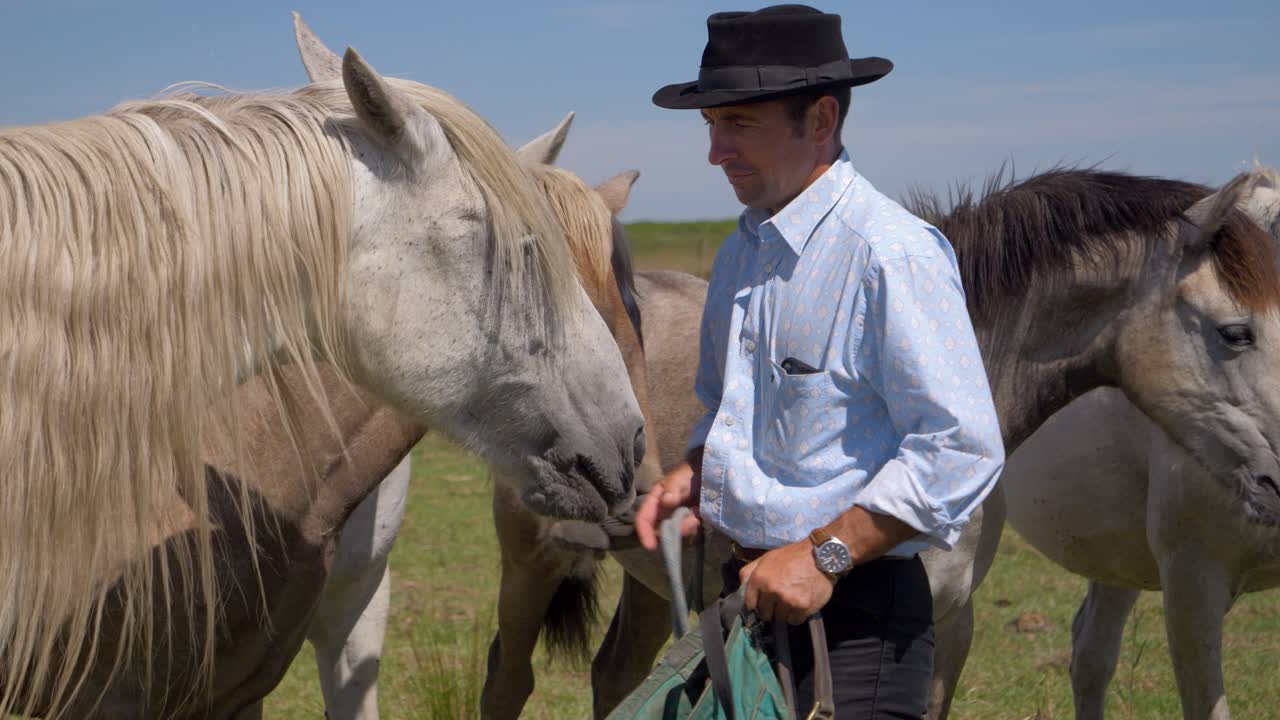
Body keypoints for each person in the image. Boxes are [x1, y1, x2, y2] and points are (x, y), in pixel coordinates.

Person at [633, 5, 1005, 717]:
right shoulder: (741, 253)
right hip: (752, 601)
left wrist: (822, 555)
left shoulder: (888, 254)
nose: (715, 151)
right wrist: (697, 470)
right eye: (711, 125)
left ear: (822, 118)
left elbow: (961, 448)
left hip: (860, 623)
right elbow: (729, 410)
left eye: (738, 123)